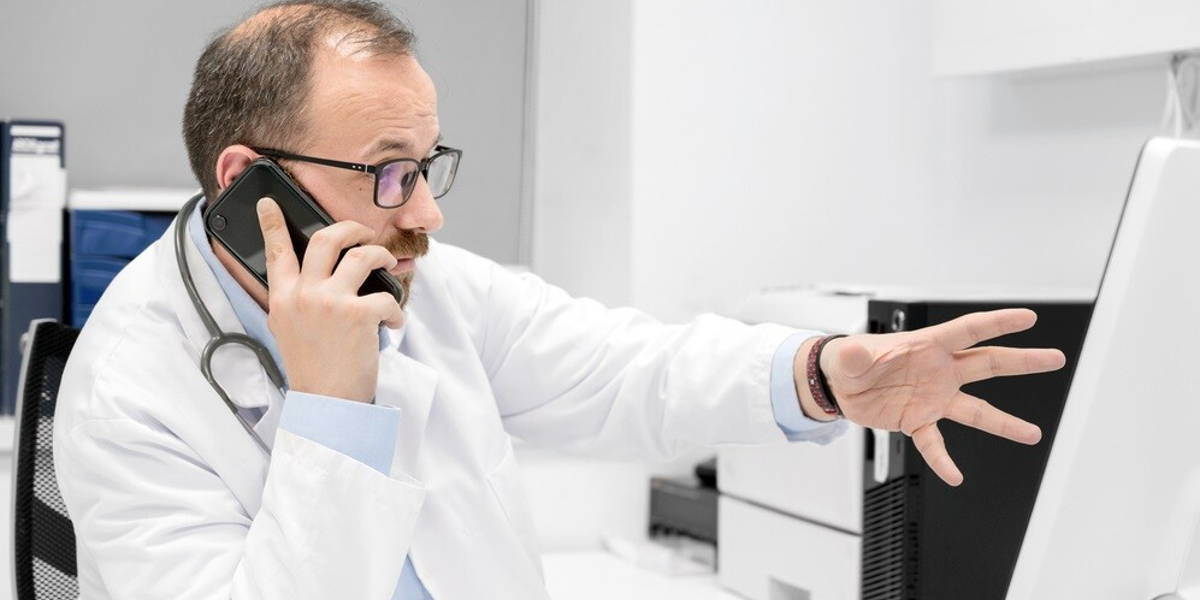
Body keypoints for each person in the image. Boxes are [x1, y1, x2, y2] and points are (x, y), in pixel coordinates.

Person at [52, 1, 1066, 598]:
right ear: (245, 184)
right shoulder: (129, 390)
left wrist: (823, 374)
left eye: (427, 166)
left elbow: (620, 368)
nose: (428, 219)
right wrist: (330, 415)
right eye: (387, 171)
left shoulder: (424, 284)